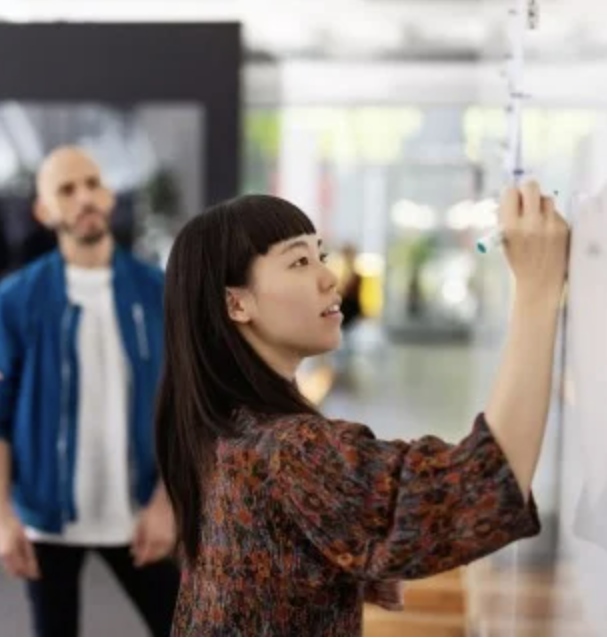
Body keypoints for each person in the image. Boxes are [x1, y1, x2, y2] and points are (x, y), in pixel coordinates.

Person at [156, 183, 569, 636]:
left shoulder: (223, 422)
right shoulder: (293, 449)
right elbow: (484, 481)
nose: (329, 278)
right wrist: (537, 291)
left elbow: (251, 558)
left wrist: (336, 562)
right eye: (298, 261)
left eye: (321, 256)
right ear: (237, 303)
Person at [0, 146, 180, 636]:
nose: (84, 197)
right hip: (47, 517)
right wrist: (3, 519)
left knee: (186, 626)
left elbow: (184, 410)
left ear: (109, 196)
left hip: (139, 512)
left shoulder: (158, 291)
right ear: (44, 211)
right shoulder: (15, 299)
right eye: (67, 190)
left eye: (92, 183)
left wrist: (167, 502)